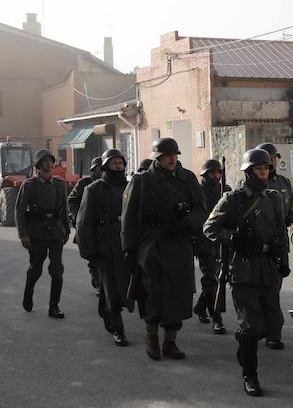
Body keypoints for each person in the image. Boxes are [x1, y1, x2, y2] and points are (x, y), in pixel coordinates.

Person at [203, 149, 289, 396]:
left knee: (272, 324)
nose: (263, 172)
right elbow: (209, 228)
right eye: (258, 169)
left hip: (269, 267)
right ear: (248, 172)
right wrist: (234, 238)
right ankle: (249, 374)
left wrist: (283, 258)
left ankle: (246, 343)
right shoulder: (233, 199)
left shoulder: (273, 198)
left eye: (265, 169)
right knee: (250, 326)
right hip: (244, 269)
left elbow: (281, 232)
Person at [122, 138, 206, 361]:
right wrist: (129, 249)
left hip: (179, 244)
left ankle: (170, 341)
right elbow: (129, 218)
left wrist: (187, 224)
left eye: (174, 154)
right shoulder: (142, 181)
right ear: (157, 157)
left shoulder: (187, 178)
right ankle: (152, 337)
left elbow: (200, 208)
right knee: (153, 292)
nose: (172, 158)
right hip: (152, 244)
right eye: (167, 155)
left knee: (178, 292)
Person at [76, 150, 131, 346]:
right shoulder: (94, 189)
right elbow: (84, 221)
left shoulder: (131, 187)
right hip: (105, 245)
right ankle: (118, 328)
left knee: (124, 286)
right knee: (111, 287)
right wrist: (88, 249)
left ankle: (106, 307)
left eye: (120, 163)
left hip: (127, 244)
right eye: (114, 163)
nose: (118, 166)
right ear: (106, 166)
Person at [15, 150, 70, 319]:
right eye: (45, 160)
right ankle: (28, 293)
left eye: (50, 160)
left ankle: (54, 306)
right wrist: (23, 235)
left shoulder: (59, 183)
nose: (48, 163)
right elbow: (20, 210)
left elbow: (63, 208)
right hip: (37, 232)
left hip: (55, 232)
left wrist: (66, 230)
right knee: (35, 268)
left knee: (57, 270)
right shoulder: (29, 185)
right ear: (38, 165)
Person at [259, 142, 293, 351]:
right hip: (254, 248)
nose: (273, 161)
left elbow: (292, 210)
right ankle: (256, 328)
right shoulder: (247, 183)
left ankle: (273, 334)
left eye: (274, 158)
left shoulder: (283, 183)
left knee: (273, 291)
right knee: (256, 291)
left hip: (277, 246)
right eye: (270, 157)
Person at [192, 158, 230, 335]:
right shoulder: (197, 192)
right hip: (204, 241)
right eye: (211, 173)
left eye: (217, 172)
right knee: (211, 280)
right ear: (204, 174)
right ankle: (217, 318)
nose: (215, 176)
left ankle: (200, 307)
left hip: (222, 241)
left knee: (215, 278)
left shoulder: (227, 191)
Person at [68, 156, 104, 294]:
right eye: (99, 167)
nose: (101, 170)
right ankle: (97, 279)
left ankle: (104, 283)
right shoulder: (84, 183)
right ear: (93, 169)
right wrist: (78, 218)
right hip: (88, 226)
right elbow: (72, 200)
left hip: (105, 226)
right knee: (93, 256)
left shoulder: (111, 182)